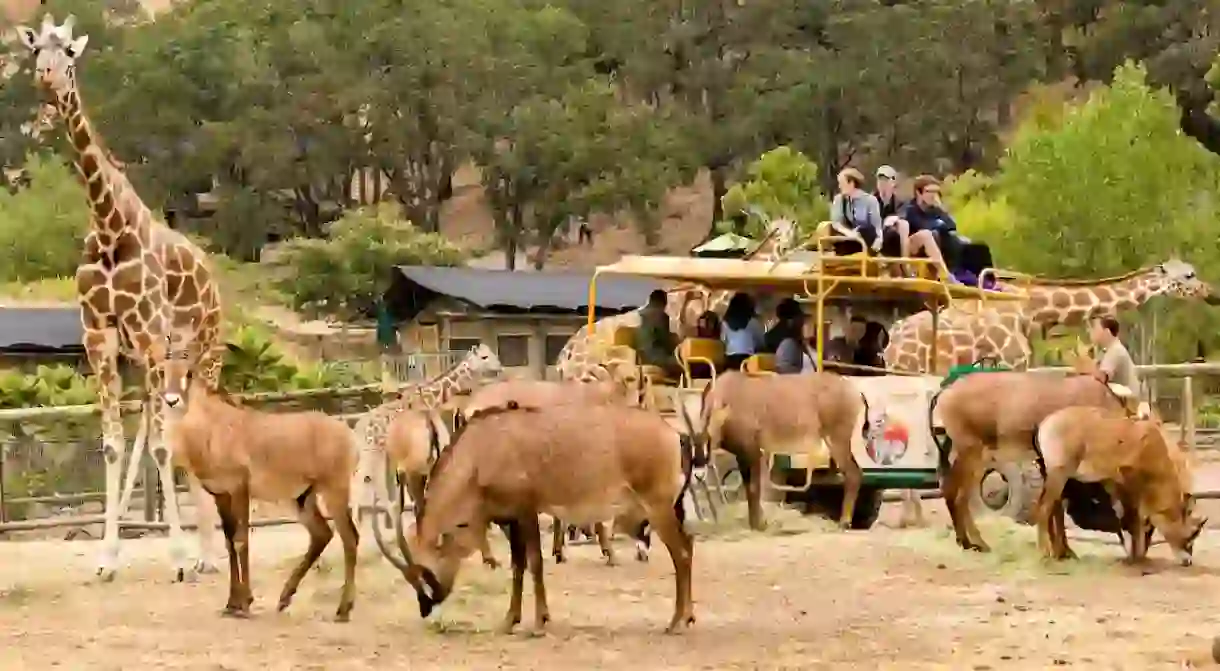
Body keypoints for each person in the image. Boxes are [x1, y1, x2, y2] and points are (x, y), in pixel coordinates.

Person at [828, 168, 901, 257]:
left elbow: (876, 226)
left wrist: (879, 239)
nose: (839, 187)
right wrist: (850, 233)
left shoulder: (870, 200)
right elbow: (836, 224)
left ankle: (897, 265)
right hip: (848, 238)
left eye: (841, 183)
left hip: (867, 237)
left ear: (851, 183)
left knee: (891, 236)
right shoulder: (839, 199)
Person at [901, 175, 960, 282]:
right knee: (927, 234)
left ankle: (984, 279)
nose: (933, 195)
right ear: (919, 193)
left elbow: (952, 226)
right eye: (929, 191)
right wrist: (940, 225)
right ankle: (945, 275)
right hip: (912, 248)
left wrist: (941, 208)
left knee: (968, 243)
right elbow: (922, 226)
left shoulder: (935, 209)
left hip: (933, 247)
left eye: (936, 192)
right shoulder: (910, 209)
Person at [1088, 315, 1141, 396]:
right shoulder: (1107, 351)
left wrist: (1086, 367)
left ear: (1107, 332)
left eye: (1094, 328)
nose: (1090, 331)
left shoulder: (1116, 351)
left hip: (1127, 402)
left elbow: (1102, 378)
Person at [634, 289, 680, 376]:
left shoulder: (641, 314)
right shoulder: (661, 315)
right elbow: (666, 341)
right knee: (684, 364)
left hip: (641, 356)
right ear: (663, 302)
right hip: (655, 357)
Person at [874, 165, 912, 258]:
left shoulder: (900, 202)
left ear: (893, 182)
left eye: (886, 180)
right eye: (880, 180)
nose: (882, 183)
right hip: (876, 237)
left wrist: (894, 219)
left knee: (902, 225)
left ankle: (904, 263)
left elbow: (902, 215)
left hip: (894, 237)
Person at [721, 292, 764, 371]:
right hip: (748, 358)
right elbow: (760, 342)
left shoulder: (725, 322)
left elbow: (723, 340)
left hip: (730, 358)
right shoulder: (753, 321)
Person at [771, 300, 808, 374]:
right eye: (801, 317)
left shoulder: (775, 333)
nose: (803, 322)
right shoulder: (788, 343)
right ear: (792, 320)